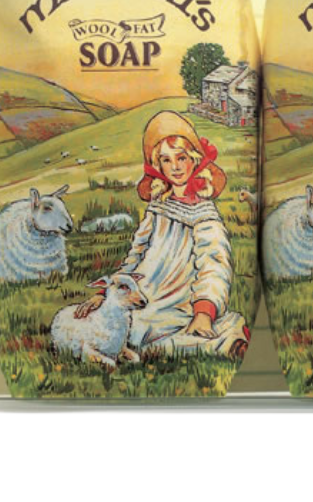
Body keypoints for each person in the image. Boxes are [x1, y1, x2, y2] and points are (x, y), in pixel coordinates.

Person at [74, 110, 249, 359]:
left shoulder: (204, 214)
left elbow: (214, 264)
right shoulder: (157, 208)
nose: (175, 167)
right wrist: (106, 293)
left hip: (180, 299)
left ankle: (225, 342)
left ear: (194, 159)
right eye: (166, 160)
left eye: (181, 158)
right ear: (158, 166)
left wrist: (203, 311)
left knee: (142, 340)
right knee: (109, 323)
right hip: (144, 292)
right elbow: (135, 255)